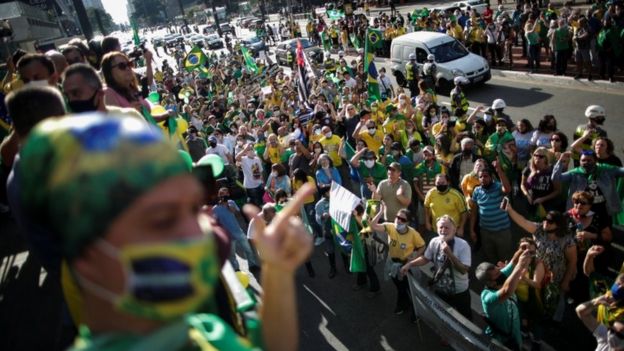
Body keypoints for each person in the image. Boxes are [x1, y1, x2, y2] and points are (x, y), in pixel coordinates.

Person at [17, 114, 315, 351]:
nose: (199, 231)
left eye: (190, 209)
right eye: (162, 220)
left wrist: (277, 271)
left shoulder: (200, 332)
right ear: (89, 255)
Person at [505, 204, 577, 321]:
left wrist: (566, 281)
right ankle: (541, 316)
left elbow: (573, 261)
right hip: (538, 274)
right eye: (545, 219)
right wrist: (509, 209)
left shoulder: (567, 240)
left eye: (549, 221)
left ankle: (555, 321)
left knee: (556, 300)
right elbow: (523, 222)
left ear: (557, 225)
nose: (545, 222)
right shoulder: (539, 230)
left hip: (556, 278)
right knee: (539, 298)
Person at [401, 215, 472, 319]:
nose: (443, 230)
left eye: (446, 227)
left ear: (454, 229)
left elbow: (463, 270)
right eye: (440, 228)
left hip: (459, 291)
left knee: (465, 317)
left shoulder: (463, 245)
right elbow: (426, 258)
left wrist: (449, 254)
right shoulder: (435, 241)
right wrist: (410, 264)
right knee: (444, 314)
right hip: (440, 288)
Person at [371, 207, 425, 320]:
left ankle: (415, 311)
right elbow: (373, 226)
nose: (399, 221)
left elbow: (422, 246)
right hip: (393, 263)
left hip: (406, 266)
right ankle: (404, 304)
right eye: (397, 217)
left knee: (409, 289)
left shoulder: (413, 234)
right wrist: (380, 212)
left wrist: (414, 256)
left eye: (403, 219)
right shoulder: (391, 227)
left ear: (408, 222)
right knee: (399, 286)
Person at [475, 247, 533, 351]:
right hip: (500, 342)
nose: (501, 273)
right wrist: (520, 267)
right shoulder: (487, 297)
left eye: (499, 270)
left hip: (515, 335)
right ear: (490, 283)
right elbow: (507, 291)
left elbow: (514, 261)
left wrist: (522, 249)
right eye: (497, 274)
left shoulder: (499, 275)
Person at [469, 162, 513, 262]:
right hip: (485, 232)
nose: (483, 179)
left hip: (502, 232)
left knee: (504, 259)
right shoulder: (477, 191)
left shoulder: (498, 187)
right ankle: (494, 276)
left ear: (491, 177)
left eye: (486, 176)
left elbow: (507, 189)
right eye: (480, 177)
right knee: (490, 257)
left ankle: (505, 277)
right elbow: (474, 213)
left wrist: (499, 171)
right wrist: (472, 230)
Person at [213, 187, 260, 273]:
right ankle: (236, 268)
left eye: (226, 194)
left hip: (238, 231)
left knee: (248, 249)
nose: (225, 195)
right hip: (227, 235)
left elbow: (236, 212)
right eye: (222, 194)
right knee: (231, 254)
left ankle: (252, 265)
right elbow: (215, 223)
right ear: (219, 195)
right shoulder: (215, 209)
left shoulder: (231, 203)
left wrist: (228, 205)